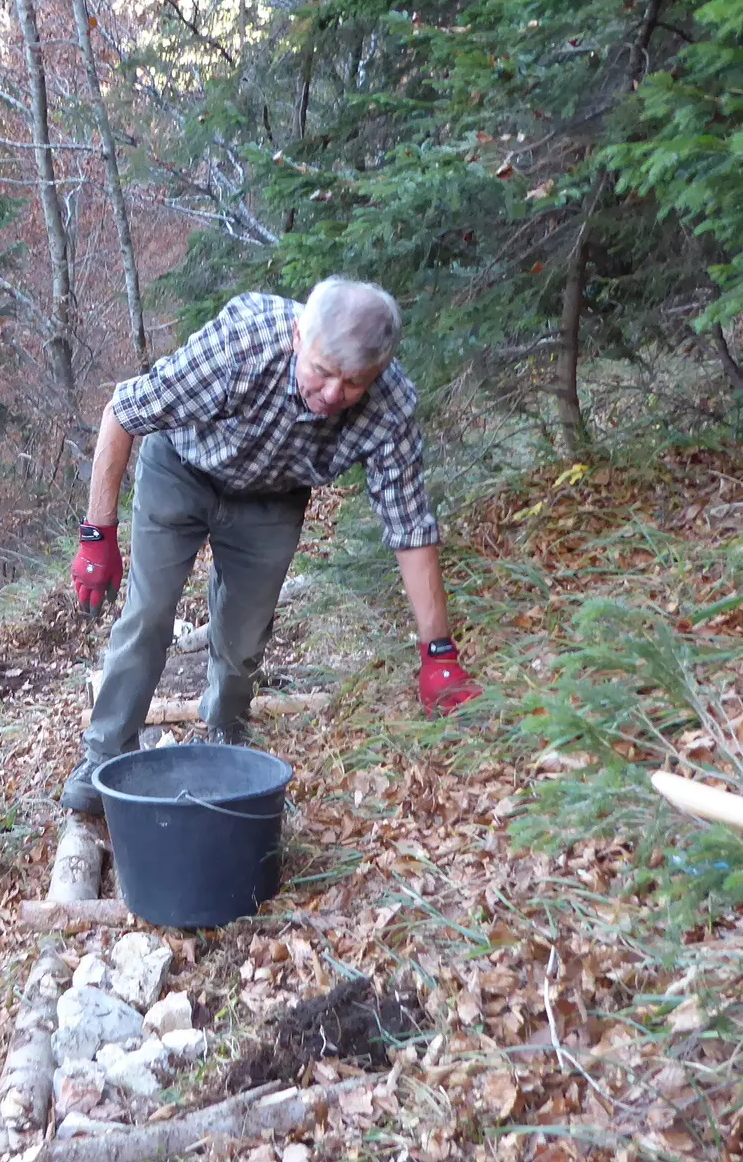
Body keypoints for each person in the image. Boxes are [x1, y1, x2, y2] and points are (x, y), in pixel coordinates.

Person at [59, 277, 481, 815]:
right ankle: (103, 758)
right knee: (149, 614)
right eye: (323, 372)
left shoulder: (389, 406)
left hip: (272, 498)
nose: (333, 395)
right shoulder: (242, 344)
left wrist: (437, 652)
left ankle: (227, 728)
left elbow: (409, 525)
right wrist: (98, 535)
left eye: (354, 383)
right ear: (298, 335)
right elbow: (123, 411)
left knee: (243, 637)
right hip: (183, 469)